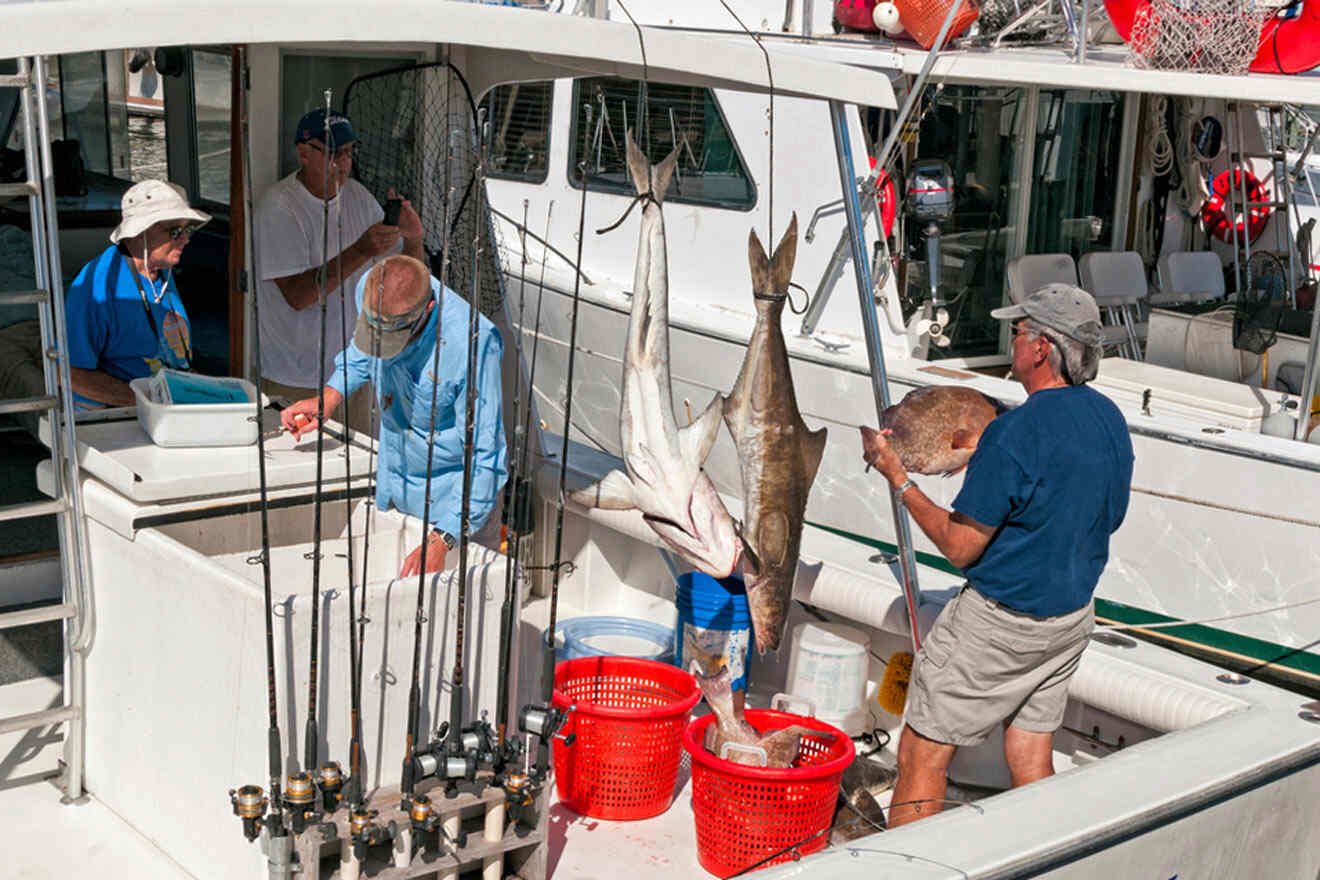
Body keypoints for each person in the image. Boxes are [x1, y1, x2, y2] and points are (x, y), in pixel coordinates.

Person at [860, 282, 1134, 828]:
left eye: (1017, 331)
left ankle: (907, 866)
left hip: (999, 625)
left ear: (1040, 348)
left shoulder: (1014, 434)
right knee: (1031, 754)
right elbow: (1110, 515)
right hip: (1071, 620)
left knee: (921, 753)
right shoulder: (1110, 420)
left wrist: (900, 479)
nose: (1011, 342)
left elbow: (961, 547)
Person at [280, 255, 508, 578]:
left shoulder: (475, 343)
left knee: (458, 620)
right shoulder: (372, 288)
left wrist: (443, 539)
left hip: (456, 508)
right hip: (395, 491)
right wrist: (329, 396)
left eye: (394, 339)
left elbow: (487, 459)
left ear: (427, 312)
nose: (383, 344)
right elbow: (363, 350)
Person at [255, 107, 424, 433]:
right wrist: (362, 250)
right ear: (304, 153)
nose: (343, 162)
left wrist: (414, 238)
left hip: (352, 374)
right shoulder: (278, 208)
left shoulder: (359, 197)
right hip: (294, 377)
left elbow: (405, 278)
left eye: (348, 152)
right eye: (334, 152)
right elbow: (298, 295)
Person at [0, 180, 209, 433]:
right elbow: (66, 374)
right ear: (140, 232)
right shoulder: (99, 287)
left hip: (166, 401)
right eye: (175, 231)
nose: (185, 239)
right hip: (115, 412)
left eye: (189, 230)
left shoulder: (161, 270)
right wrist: (147, 402)